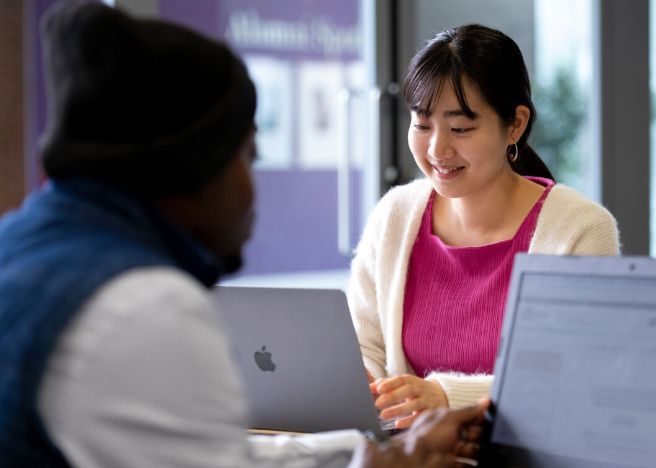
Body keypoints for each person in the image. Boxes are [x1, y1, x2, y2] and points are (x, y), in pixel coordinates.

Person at [0, 2, 487, 467]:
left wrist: (372, 457)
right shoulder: (142, 305)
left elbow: (198, 454)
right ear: (198, 167)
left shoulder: (22, 244)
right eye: (249, 157)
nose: (253, 190)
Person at [348, 24, 620, 429]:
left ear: (515, 124)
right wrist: (363, 384)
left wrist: (446, 397)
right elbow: (363, 344)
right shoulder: (395, 216)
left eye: (460, 128)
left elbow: (575, 375)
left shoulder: (578, 230)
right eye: (422, 124)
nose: (437, 149)